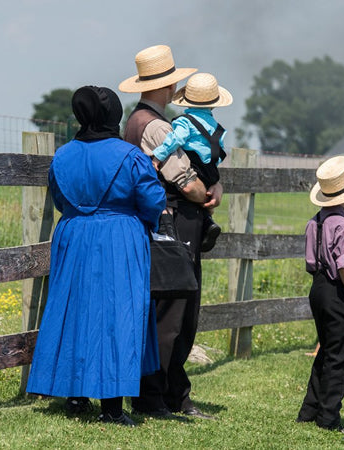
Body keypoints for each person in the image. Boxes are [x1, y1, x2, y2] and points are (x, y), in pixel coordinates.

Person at [26, 86, 167, 427]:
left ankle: (75, 395)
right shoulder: (129, 156)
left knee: (74, 310)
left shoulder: (62, 156)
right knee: (118, 315)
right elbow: (153, 202)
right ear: (112, 115)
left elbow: (60, 200)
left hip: (73, 236)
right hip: (120, 236)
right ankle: (112, 408)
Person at [120, 44, 222, 420]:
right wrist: (207, 193)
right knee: (176, 310)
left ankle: (170, 393)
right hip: (177, 219)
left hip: (163, 219)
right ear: (169, 84)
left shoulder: (136, 120)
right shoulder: (158, 125)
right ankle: (157, 396)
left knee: (168, 308)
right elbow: (184, 179)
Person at [296, 156, 344, 432]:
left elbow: (310, 261)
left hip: (317, 288)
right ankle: (328, 417)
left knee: (326, 350)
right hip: (335, 288)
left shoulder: (314, 221)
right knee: (341, 354)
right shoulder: (342, 225)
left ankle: (309, 410)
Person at [150, 72, 233, 252]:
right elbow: (219, 150)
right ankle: (208, 220)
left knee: (179, 187)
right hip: (211, 169)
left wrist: (157, 156)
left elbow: (174, 140)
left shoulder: (184, 122)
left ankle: (205, 221)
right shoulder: (215, 124)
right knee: (206, 198)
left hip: (195, 165)